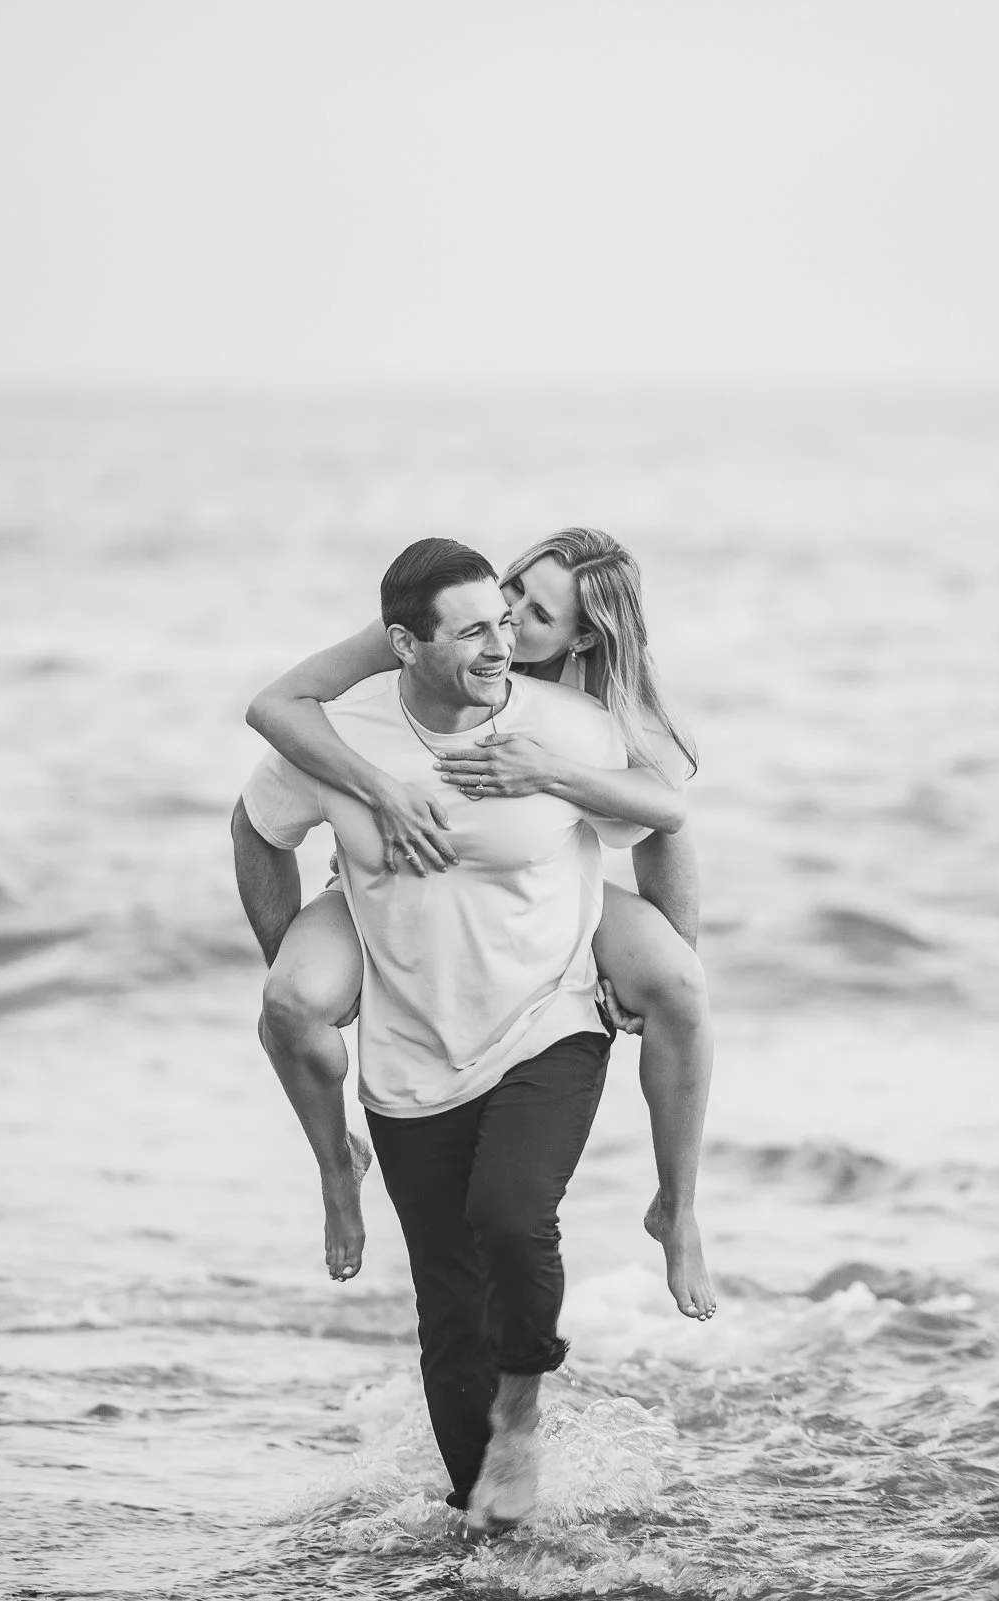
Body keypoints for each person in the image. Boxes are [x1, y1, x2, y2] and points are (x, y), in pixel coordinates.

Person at [229, 537, 671, 1534]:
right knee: (446, 1302)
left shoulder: (566, 727)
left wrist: (669, 962)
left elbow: (665, 813)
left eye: (510, 623)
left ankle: (522, 1412)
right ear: (404, 646)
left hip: (546, 1018)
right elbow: (255, 824)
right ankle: (487, 1517)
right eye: (474, 628)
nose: (500, 644)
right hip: (410, 1049)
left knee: (513, 1216)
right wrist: (293, 951)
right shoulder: (346, 734)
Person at [244, 527, 715, 1321]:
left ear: (582, 636)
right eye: (513, 590)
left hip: (544, 878)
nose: (511, 619)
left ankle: (678, 1208)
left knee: (676, 982)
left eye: (536, 616)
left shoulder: (600, 703)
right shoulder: (438, 630)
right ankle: (336, 1167)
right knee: (292, 999)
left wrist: (643, 968)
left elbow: (669, 816)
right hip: (396, 877)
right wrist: (377, 793)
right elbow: (276, 707)